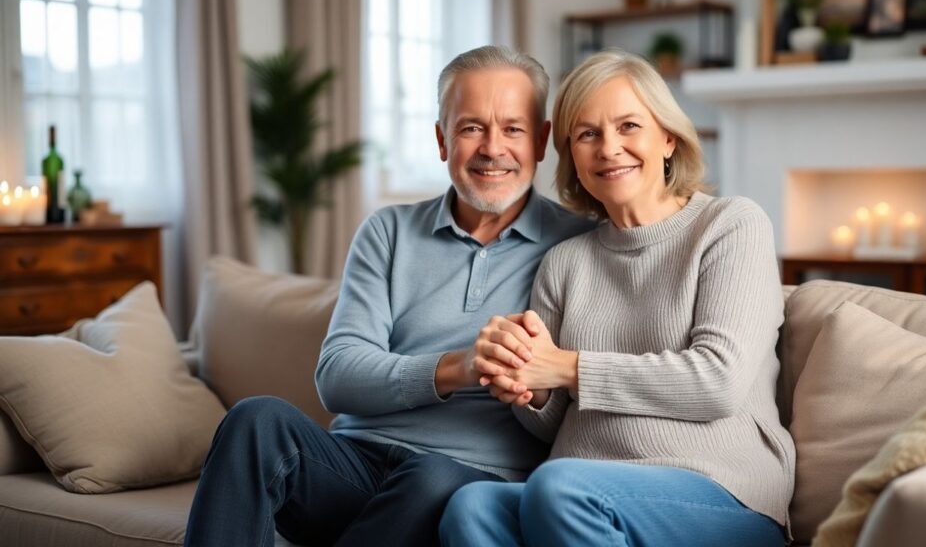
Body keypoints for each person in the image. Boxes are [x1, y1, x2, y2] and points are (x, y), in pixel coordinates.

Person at [183, 46, 593, 547]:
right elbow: (337, 375)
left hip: (471, 483)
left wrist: (534, 381)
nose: (492, 148)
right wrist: (457, 367)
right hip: (353, 467)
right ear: (442, 140)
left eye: (512, 128)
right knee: (255, 420)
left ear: (542, 141)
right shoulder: (389, 231)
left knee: (435, 479)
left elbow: (568, 411)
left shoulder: (577, 247)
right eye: (470, 128)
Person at [440, 49, 795, 547]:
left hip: (720, 491)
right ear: (571, 156)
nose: (609, 148)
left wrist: (564, 367)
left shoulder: (730, 226)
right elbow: (549, 424)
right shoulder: (565, 261)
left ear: (668, 138)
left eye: (629, 126)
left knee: (559, 488)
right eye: (587, 134)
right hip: (579, 489)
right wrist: (525, 380)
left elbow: (719, 381)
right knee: (473, 505)